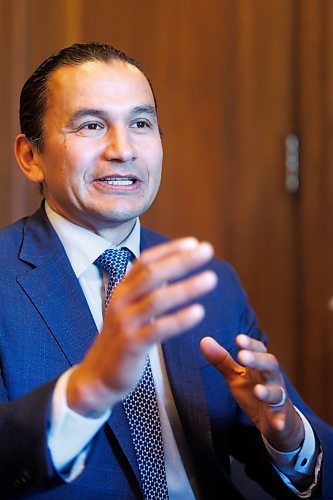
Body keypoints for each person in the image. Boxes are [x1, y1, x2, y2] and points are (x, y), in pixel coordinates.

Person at [0, 42, 332, 499]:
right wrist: (87, 390)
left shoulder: (208, 281)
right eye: (92, 125)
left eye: (140, 123)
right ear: (29, 156)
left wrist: (286, 435)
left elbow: (318, 474)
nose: (123, 149)